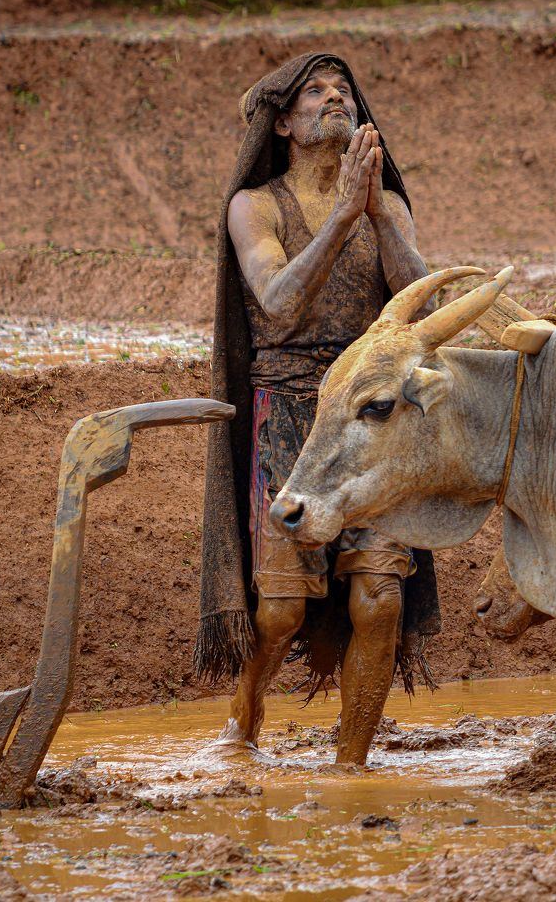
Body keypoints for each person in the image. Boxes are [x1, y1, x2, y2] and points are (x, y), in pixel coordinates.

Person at [196, 53, 441, 765]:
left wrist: (372, 213)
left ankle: (351, 765)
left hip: (369, 420)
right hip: (289, 415)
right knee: (278, 610)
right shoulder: (256, 206)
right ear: (282, 123)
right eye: (315, 93)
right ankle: (243, 722)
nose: (335, 98)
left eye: (344, 94)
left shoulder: (385, 205)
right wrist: (339, 217)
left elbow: (420, 298)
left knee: (380, 598)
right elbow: (276, 300)